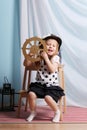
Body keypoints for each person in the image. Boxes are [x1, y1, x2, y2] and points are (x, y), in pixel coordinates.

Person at [24, 34, 65, 123]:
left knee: (48, 98)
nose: (51, 47)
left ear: (57, 50)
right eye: (48, 44)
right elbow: (27, 65)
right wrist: (29, 55)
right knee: (31, 94)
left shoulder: (55, 58)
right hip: (39, 85)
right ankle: (33, 112)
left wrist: (46, 59)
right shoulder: (39, 58)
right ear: (42, 47)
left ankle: (57, 112)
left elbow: (52, 69)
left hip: (52, 86)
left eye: (53, 46)